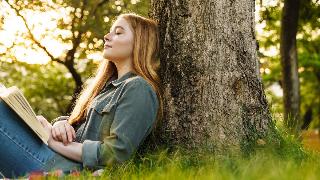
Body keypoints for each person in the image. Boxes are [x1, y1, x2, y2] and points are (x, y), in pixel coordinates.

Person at [0, 13, 162, 178]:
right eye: (110, 31)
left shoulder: (138, 88)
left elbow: (116, 154)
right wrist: (60, 125)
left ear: (139, 43)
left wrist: (52, 141)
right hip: (53, 156)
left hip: (62, 167)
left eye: (118, 32)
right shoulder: (107, 87)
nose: (107, 36)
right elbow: (79, 126)